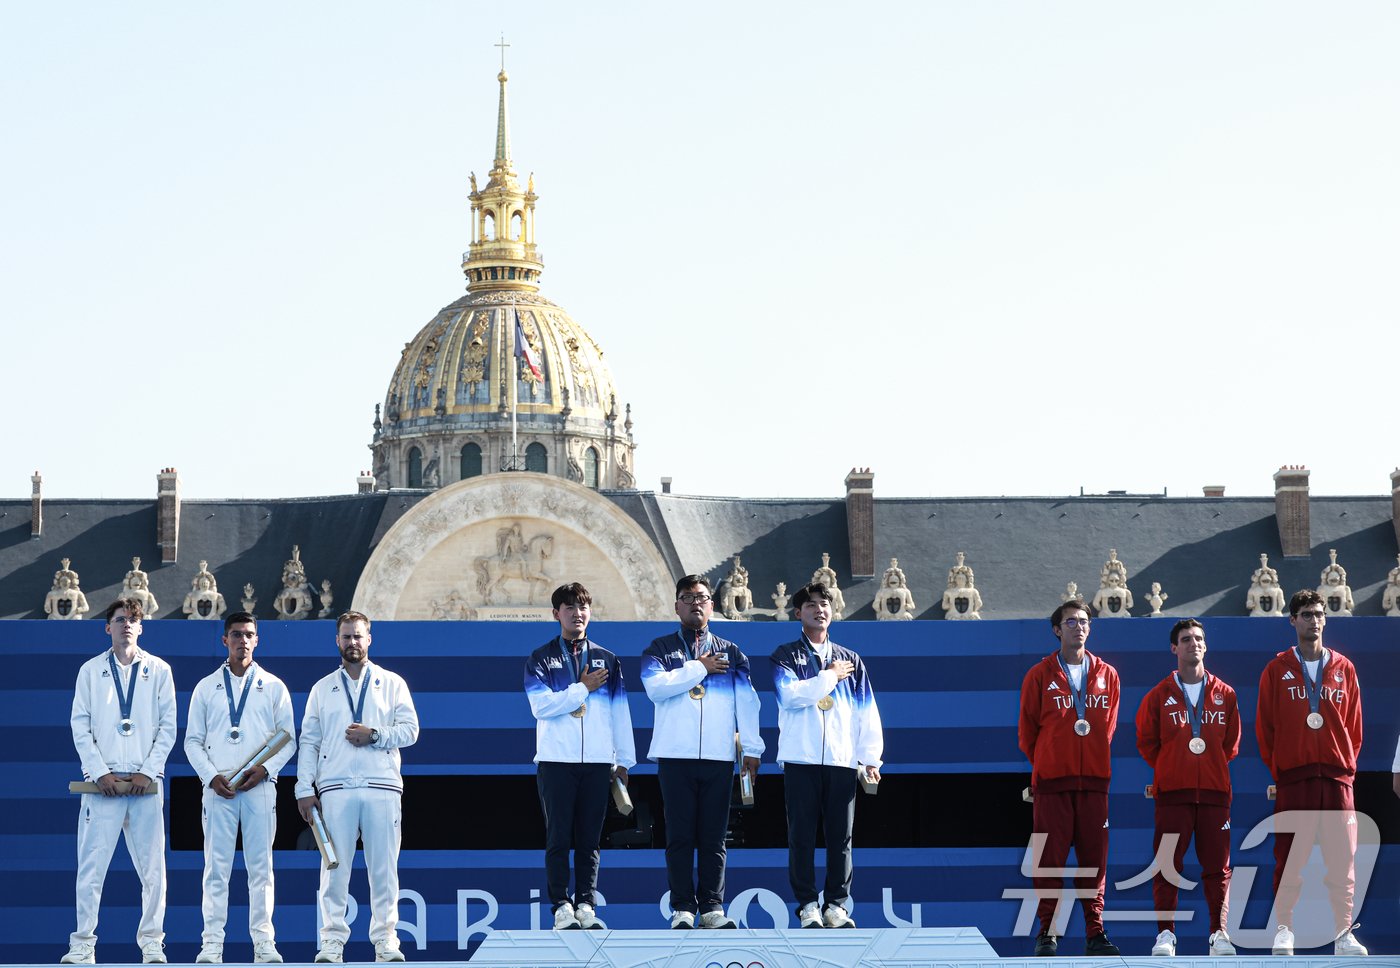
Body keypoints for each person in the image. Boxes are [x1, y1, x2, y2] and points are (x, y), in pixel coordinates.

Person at [296, 612, 419, 964]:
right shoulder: (323, 688)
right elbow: (309, 742)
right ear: (337, 640)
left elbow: (411, 731)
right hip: (335, 788)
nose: (353, 643)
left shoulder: (392, 682)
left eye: (358, 637)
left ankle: (386, 940)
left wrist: (375, 736)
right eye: (346, 637)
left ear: (370, 639)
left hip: (382, 786)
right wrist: (304, 789)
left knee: (384, 868)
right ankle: (332, 940)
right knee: (334, 869)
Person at [641, 575, 763, 929]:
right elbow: (656, 689)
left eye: (703, 597)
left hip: (718, 756)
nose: (696, 602)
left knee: (713, 838)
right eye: (688, 597)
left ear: (712, 605)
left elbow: (748, 703)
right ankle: (682, 908)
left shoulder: (733, 653)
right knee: (679, 836)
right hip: (674, 756)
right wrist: (700, 667)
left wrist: (752, 749)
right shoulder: (659, 649)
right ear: (676, 605)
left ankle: (712, 907)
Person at [62, 599, 177, 966]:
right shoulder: (90, 671)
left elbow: (168, 727)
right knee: (92, 869)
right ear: (107, 627)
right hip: (103, 786)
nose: (127, 624)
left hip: (144, 787)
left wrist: (149, 770)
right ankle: (82, 945)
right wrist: (99, 772)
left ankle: (152, 944)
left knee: (154, 871)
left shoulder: (159, 670)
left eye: (133, 620)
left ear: (141, 628)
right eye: (120, 619)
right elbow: (80, 725)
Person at [1256, 590, 1367, 956]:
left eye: (1319, 614)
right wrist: (1283, 769)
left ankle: (1343, 933)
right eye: (1306, 615)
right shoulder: (1276, 670)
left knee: (1342, 860)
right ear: (1292, 621)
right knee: (1289, 857)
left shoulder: (1344, 669)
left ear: (1325, 619)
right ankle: (1285, 928)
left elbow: (1354, 728)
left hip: (1336, 778)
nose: (1314, 620)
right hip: (1294, 778)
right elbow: (1265, 728)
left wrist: (1344, 768)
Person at [184, 612, 296, 965]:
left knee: (260, 868)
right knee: (216, 868)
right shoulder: (206, 687)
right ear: (224, 640)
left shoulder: (274, 686)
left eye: (249, 634)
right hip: (218, 788)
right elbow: (192, 742)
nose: (242, 641)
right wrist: (210, 776)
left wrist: (266, 769)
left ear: (257, 640)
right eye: (236, 634)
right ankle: (212, 944)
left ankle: (263, 942)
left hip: (259, 787)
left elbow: (288, 740)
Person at [524, 583, 637, 930]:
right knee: (559, 837)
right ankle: (560, 905)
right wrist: (581, 689)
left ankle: (586, 903)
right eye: (570, 607)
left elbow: (621, 712)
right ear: (556, 613)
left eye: (583, 607)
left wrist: (624, 761)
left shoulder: (608, 659)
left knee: (590, 839)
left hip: (598, 761)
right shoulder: (541, 658)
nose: (578, 613)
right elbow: (541, 708)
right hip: (556, 760)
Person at [770, 582, 882, 929]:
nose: (820, 610)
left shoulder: (852, 659)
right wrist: (829, 676)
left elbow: (867, 712)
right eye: (812, 604)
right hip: (801, 759)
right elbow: (790, 697)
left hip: (841, 760)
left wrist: (870, 759)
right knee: (801, 836)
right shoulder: (785, 655)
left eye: (825, 604)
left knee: (840, 838)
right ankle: (807, 904)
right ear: (798, 613)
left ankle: (836, 905)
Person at [1017, 602, 1120, 957]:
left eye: (1084, 622)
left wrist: (1088, 758)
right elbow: (1028, 732)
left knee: (1095, 861)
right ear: (1057, 630)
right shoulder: (1039, 675)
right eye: (1071, 621)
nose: (1078, 626)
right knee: (1050, 861)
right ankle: (1048, 931)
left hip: (1094, 783)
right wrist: (1049, 761)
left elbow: (1106, 731)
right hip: (1052, 784)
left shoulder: (1108, 674)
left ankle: (1095, 931)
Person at [1134, 619, 1239, 957]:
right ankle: (1165, 934)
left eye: (1198, 638)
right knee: (1167, 864)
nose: (1193, 643)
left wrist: (1207, 767)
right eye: (1185, 639)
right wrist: (1174, 766)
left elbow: (1230, 746)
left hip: (1214, 793)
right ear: (1173, 648)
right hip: (1173, 795)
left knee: (1218, 868)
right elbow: (1147, 743)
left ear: (1205, 646)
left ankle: (1218, 933)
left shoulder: (1226, 695)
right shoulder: (1158, 695)